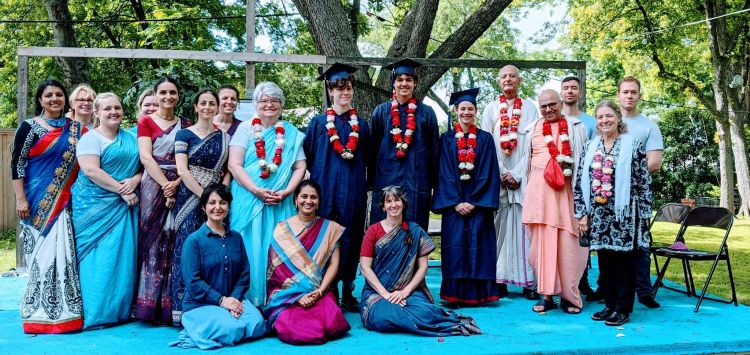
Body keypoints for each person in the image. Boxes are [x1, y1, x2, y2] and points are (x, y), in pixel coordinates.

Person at [359, 185, 481, 336]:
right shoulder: (373, 231)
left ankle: (424, 321)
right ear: (383, 207)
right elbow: (365, 268)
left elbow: (423, 267)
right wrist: (386, 294)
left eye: (397, 200)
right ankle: (411, 320)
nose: (393, 205)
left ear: (403, 203)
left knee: (425, 312)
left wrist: (404, 292)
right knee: (381, 319)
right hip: (377, 292)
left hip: (409, 291)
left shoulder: (415, 231)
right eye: (388, 201)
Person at [12, 79, 84, 333]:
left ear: (65, 99)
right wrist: (20, 198)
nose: (54, 99)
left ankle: (66, 314)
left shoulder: (77, 129)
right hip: (35, 202)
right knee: (40, 257)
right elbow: (18, 165)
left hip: (65, 202)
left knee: (63, 256)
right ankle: (37, 314)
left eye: (59, 95)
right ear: (40, 100)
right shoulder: (29, 128)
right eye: (49, 95)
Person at [574, 100, 653, 326]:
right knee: (605, 263)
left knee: (624, 264)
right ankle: (609, 306)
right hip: (598, 215)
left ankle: (622, 308)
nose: (604, 121)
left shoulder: (633, 144)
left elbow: (643, 182)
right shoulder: (592, 145)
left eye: (609, 116)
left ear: (618, 117)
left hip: (625, 216)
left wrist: (644, 215)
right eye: (600, 117)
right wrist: (582, 213)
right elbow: (580, 182)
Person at [228, 81, 306, 306]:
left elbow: (299, 166)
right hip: (248, 198)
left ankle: (278, 300)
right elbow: (235, 164)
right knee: (249, 245)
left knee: (278, 248)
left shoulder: (290, 133)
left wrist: (287, 192)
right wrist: (255, 190)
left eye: (275, 101)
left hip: (280, 202)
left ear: (281, 105)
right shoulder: (245, 129)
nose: (269, 105)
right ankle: (249, 300)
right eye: (264, 101)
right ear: (256, 104)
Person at [304, 63, 370, 311]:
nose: (345, 92)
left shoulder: (362, 125)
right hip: (326, 189)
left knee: (351, 239)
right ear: (330, 91)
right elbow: (309, 156)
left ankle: (348, 291)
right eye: (339, 88)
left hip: (353, 191)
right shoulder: (318, 123)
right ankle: (325, 289)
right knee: (325, 239)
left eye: (349, 88)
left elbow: (368, 157)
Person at [72, 93, 141, 329]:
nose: (113, 112)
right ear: (97, 113)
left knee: (121, 256)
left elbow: (144, 166)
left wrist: (136, 179)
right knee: (97, 258)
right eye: (108, 108)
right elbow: (91, 171)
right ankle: (95, 312)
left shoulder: (132, 138)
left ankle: (120, 311)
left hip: (125, 207)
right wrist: (122, 189)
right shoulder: (90, 139)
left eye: (117, 108)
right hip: (95, 208)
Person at [171, 184, 267, 350]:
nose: (217, 207)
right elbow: (193, 282)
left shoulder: (236, 238)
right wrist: (222, 301)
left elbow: (244, 273)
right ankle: (194, 329)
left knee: (257, 324)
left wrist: (234, 300)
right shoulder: (194, 241)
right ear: (203, 207)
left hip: (233, 299)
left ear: (228, 207)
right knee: (233, 328)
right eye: (212, 203)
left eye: (222, 203)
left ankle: (221, 325)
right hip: (200, 304)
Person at [521, 90, 589, 314]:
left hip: (567, 194)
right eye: (543, 106)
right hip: (539, 197)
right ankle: (546, 295)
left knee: (570, 247)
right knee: (541, 247)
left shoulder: (575, 127)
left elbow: (584, 164)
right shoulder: (532, 129)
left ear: (561, 103)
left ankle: (570, 297)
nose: (548, 109)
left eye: (552, 104)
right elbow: (527, 163)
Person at [432, 88, 501, 306]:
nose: (466, 112)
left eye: (470, 108)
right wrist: (455, 202)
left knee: (479, 246)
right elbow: (442, 172)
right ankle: (454, 295)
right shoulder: (446, 139)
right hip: (454, 206)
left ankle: (481, 295)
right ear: (456, 111)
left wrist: (473, 202)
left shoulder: (486, 139)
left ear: (476, 111)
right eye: (462, 108)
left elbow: (489, 172)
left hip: (478, 206)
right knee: (455, 247)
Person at [134, 76, 192, 324]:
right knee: (153, 242)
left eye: (173, 92)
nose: (168, 97)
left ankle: (172, 305)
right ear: (155, 95)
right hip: (153, 184)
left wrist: (176, 184)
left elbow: (189, 161)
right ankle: (148, 306)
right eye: (163, 92)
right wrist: (165, 185)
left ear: (178, 96)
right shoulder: (145, 121)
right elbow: (146, 157)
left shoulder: (186, 124)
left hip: (181, 182)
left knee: (175, 238)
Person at [171, 89, 231, 324]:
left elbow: (226, 171)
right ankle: (183, 311)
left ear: (217, 108)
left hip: (217, 201)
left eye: (211, 103)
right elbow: (183, 170)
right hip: (189, 197)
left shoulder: (224, 138)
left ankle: (214, 306)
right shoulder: (184, 135)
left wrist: (220, 197)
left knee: (214, 251)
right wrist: (205, 198)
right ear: (195, 107)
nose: (207, 107)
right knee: (186, 249)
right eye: (203, 103)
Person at [265, 180, 351, 344]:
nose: (308, 201)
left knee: (331, 320)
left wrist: (319, 292)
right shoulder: (282, 229)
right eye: (304, 196)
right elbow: (276, 274)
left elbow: (334, 264)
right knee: (292, 327)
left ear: (319, 202)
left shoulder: (330, 229)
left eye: (313, 197)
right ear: (296, 200)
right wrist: (296, 297)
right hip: (288, 296)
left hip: (319, 290)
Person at [481, 65, 540, 299]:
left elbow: (535, 143)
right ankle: (500, 280)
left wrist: (516, 173)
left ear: (520, 80)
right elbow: (486, 144)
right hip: (498, 178)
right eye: (504, 76)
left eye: (512, 76)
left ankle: (529, 281)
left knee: (526, 229)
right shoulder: (490, 108)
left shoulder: (530, 108)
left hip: (524, 177)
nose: (508, 79)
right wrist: (502, 171)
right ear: (499, 81)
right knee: (499, 230)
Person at [368, 59, 439, 231]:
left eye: (408, 80)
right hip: (386, 180)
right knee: (384, 231)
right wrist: (371, 183)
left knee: (414, 231)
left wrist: (435, 187)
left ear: (415, 83)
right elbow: (372, 150)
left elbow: (435, 153)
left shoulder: (427, 113)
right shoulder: (381, 112)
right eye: (399, 80)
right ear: (393, 83)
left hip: (417, 183)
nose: (404, 84)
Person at [617, 76, 663, 308]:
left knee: (640, 243)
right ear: (618, 95)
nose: (629, 96)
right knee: (610, 242)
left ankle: (643, 290)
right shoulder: (607, 123)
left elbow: (654, 162)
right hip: (609, 194)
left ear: (639, 96)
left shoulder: (648, 126)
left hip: (638, 195)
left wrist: (623, 168)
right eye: (625, 92)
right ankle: (607, 288)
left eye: (633, 92)